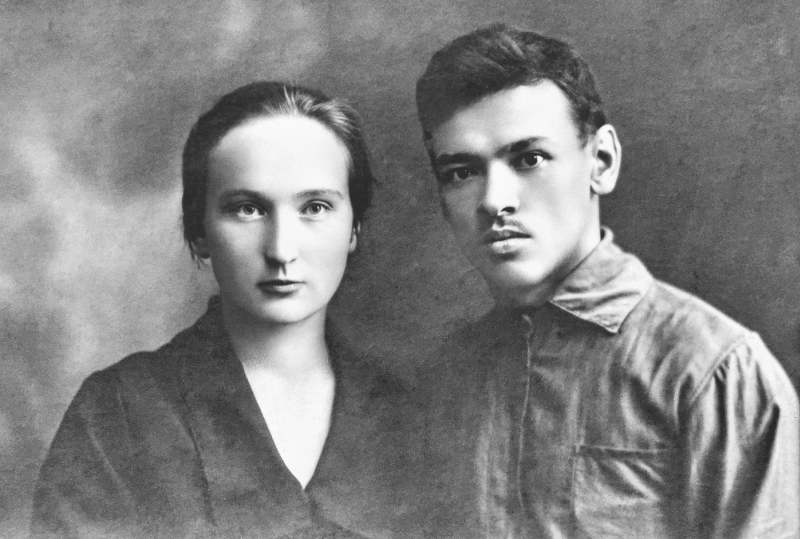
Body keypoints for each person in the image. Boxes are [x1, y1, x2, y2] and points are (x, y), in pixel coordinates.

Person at [414, 23, 800, 538]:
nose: (494, 201)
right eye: (461, 172)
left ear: (601, 161)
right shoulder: (447, 377)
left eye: (529, 159)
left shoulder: (714, 371)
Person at [32, 81, 415, 537]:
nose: (281, 250)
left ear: (353, 229)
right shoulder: (119, 414)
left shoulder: (409, 417)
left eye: (315, 207)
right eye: (248, 209)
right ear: (199, 233)